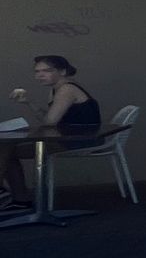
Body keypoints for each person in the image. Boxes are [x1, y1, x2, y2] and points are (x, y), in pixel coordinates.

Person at [3, 54, 102, 212]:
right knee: (7, 149)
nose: (40, 75)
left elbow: (49, 122)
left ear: (62, 71)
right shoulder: (56, 89)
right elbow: (48, 120)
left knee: (7, 150)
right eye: (37, 71)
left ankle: (19, 198)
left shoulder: (66, 89)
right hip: (67, 137)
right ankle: (18, 198)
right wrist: (28, 102)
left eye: (47, 71)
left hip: (78, 140)